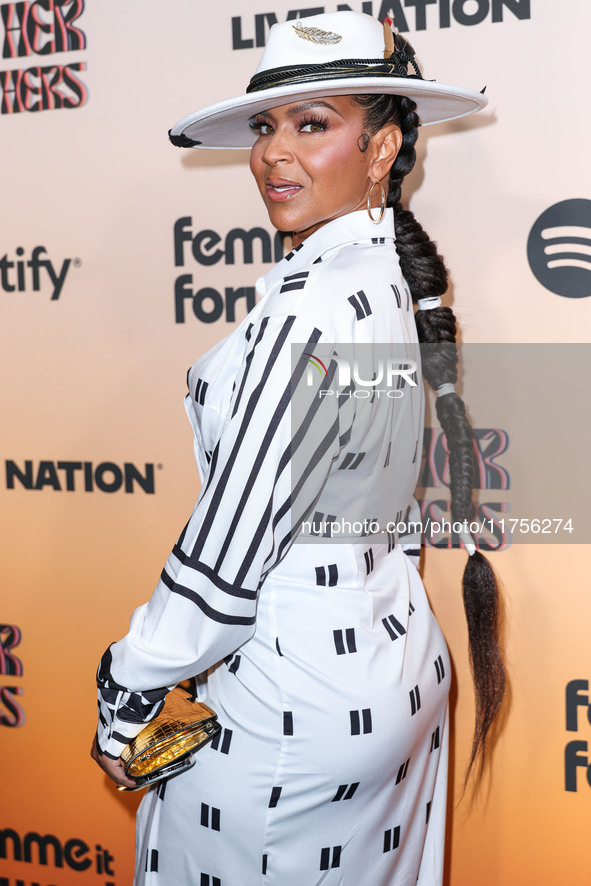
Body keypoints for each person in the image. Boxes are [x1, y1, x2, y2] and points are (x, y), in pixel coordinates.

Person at [91, 11, 505, 885]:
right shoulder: (381, 279)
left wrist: (123, 697)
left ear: (383, 147)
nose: (273, 153)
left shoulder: (311, 303)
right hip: (392, 680)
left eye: (312, 124)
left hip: (289, 713)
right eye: (265, 126)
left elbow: (230, 550)